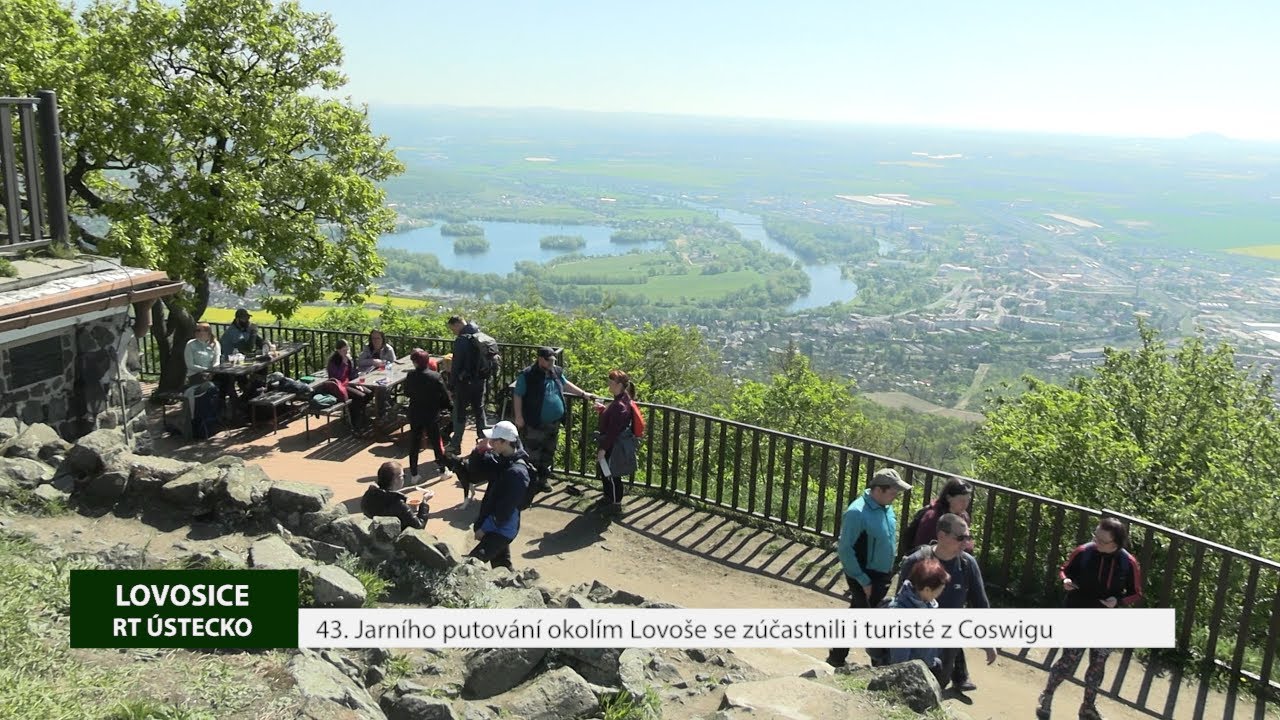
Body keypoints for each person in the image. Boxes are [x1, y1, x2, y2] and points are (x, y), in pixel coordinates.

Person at [1036, 517, 1144, 720]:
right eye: (1096, 536)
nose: (1096, 542)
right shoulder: (1084, 551)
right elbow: (1064, 570)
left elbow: (1136, 593)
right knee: (1069, 659)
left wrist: (1118, 601)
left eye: (1102, 541)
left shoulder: (1128, 562)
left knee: (1097, 664)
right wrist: (1066, 580)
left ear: (1116, 543)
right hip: (1077, 613)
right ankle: (1047, 695)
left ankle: (1088, 706)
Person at [898, 513, 998, 693]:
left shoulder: (968, 564)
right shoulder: (916, 561)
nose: (965, 543)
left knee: (938, 686)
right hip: (915, 642)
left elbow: (980, 604)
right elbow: (900, 602)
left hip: (947, 643)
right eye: (960, 538)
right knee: (907, 687)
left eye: (967, 537)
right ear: (942, 536)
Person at [826, 467, 911, 668]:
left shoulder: (885, 508)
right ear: (879, 490)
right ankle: (880, 663)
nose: (896, 497)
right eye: (893, 492)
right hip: (865, 575)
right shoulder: (857, 513)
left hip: (881, 574)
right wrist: (863, 580)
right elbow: (845, 550)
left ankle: (837, 657)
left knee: (859, 613)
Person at [513, 347, 594, 495]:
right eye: (549, 360)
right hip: (535, 422)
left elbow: (565, 383)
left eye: (553, 360)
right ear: (540, 359)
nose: (552, 363)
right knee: (532, 454)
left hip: (554, 423)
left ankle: (542, 480)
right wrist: (519, 416)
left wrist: (583, 394)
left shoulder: (555, 371)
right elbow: (517, 395)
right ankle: (529, 483)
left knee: (548, 453)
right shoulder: (527, 375)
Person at [467, 421, 534, 570]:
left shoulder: (517, 472)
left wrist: (484, 528)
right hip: (497, 526)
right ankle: (512, 586)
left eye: (493, 440)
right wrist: (479, 451)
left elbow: (505, 509)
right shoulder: (502, 459)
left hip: (501, 529)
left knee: (471, 564)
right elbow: (474, 475)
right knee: (501, 566)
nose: (490, 443)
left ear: (505, 442)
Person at [887, 556, 950, 683]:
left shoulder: (927, 604)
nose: (941, 593)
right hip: (912, 673)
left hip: (927, 664)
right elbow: (900, 657)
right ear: (927, 589)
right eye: (939, 590)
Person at [403, 349, 452, 483]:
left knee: (414, 444)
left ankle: (414, 474)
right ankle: (443, 471)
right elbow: (444, 395)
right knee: (436, 443)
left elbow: (406, 392)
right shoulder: (435, 376)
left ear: (415, 362)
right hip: (431, 414)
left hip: (415, 413)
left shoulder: (410, 375)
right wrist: (448, 407)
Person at [594, 369, 638, 514]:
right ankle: (609, 498)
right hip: (613, 443)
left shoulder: (620, 405)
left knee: (612, 474)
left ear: (618, 384)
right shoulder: (622, 399)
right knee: (607, 471)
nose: (608, 384)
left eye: (611, 382)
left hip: (613, 445)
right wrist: (603, 411)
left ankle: (615, 504)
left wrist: (603, 449)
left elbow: (613, 431)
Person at [446, 315, 489, 452]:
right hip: (480, 380)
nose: (453, 332)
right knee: (479, 410)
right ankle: (484, 442)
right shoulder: (480, 334)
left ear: (457, 324)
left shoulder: (461, 340)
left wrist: (451, 384)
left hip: (464, 382)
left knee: (459, 412)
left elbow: (457, 364)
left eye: (453, 329)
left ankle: (455, 444)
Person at [360, 461, 433, 530]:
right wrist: (424, 502)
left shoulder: (369, 494)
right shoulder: (397, 503)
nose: (404, 478)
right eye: (403, 476)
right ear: (395, 479)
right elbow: (419, 525)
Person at [912, 478, 975, 552]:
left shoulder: (964, 516)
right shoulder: (932, 518)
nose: (965, 504)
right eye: (961, 500)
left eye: (968, 500)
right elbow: (923, 548)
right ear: (948, 498)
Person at [324, 339, 373, 432]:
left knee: (369, 393)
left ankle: (361, 415)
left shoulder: (349, 360)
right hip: (339, 386)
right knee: (360, 396)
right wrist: (343, 363)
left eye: (347, 350)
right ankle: (356, 422)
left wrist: (357, 381)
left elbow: (352, 374)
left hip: (349, 383)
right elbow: (336, 377)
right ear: (338, 350)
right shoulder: (334, 362)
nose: (346, 352)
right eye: (344, 350)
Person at [357, 329, 398, 422]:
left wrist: (384, 363)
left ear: (383, 339)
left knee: (382, 389)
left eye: (378, 338)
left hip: (385, 376)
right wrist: (372, 361)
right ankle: (364, 414)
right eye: (373, 338)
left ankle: (381, 414)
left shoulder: (388, 349)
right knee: (362, 389)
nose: (375, 341)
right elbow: (360, 362)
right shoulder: (367, 348)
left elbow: (394, 364)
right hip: (368, 377)